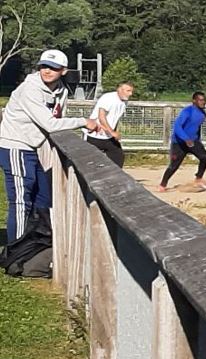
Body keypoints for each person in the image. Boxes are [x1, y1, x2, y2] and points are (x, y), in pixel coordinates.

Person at [0, 49, 98, 243]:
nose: (47, 71)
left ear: (63, 70)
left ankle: (36, 241)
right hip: (15, 145)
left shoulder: (61, 90)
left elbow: (57, 118)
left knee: (43, 196)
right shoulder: (31, 88)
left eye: (53, 68)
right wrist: (84, 121)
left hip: (32, 147)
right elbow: (50, 124)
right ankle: (16, 250)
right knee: (21, 201)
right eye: (44, 66)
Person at [87, 82, 135, 168]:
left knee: (118, 156)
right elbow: (101, 117)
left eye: (131, 91)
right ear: (119, 89)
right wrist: (112, 132)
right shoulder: (108, 98)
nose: (130, 94)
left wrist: (114, 132)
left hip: (108, 137)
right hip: (95, 134)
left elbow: (115, 118)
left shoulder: (124, 102)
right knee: (90, 162)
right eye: (128, 91)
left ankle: (115, 178)